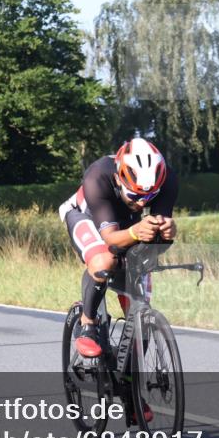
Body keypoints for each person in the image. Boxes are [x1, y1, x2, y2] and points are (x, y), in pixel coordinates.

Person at [58, 138, 179, 360]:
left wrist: (167, 234)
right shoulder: (98, 176)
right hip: (85, 216)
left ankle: (128, 375)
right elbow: (112, 240)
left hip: (126, 223)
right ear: (118, 178)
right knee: (105, 261)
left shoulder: (168, 179)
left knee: (140, 313)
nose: (142, 204)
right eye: (135, 196)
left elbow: (154, 245)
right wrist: (135, 233)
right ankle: (88, 324)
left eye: (149, 198)